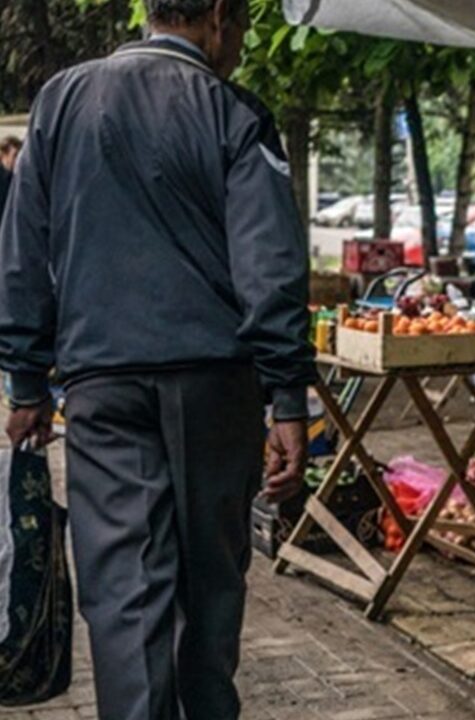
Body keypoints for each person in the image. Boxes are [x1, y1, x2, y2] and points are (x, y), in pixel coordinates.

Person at [0, 1, 314, 718]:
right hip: (215, 384)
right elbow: (270, 265)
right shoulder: (233, 111)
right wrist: (288, 394)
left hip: (101, 385)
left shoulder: (62, 100)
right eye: (239, 28)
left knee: (125, 598)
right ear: (215, 16)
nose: (237, 46)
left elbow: (22, 250)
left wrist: (25, 379)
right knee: (210, 586)